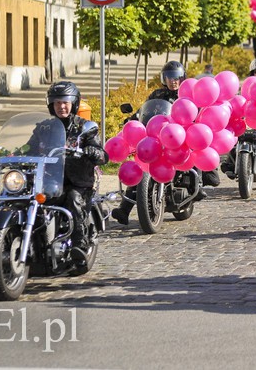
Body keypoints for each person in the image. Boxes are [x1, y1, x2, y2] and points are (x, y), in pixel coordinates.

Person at [111, 61, 213, 225]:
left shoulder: (186, 96)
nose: (172, 81)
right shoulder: (157, 94)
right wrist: (134, 119)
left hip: (178, 138)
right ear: (163, 78)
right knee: (141, 165)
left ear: (182, 78)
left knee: (192, 149)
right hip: (156, 138)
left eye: (176, 78)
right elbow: (144, 111)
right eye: (169, 77)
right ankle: (124, 210)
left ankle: (197, 186)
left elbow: (195, 113)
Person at [43, 81, 108, 265]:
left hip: (79, 182)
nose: (61, 106)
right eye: (57, 103)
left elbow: (103, 155)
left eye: (65, 102)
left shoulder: (84, 127)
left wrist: (92, 152)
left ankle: (79, 244)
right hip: (51, 181)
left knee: (72, 198)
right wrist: (13, 153)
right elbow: (30, 146)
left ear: (73, 103)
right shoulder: (44, 127)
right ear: (51, 105)